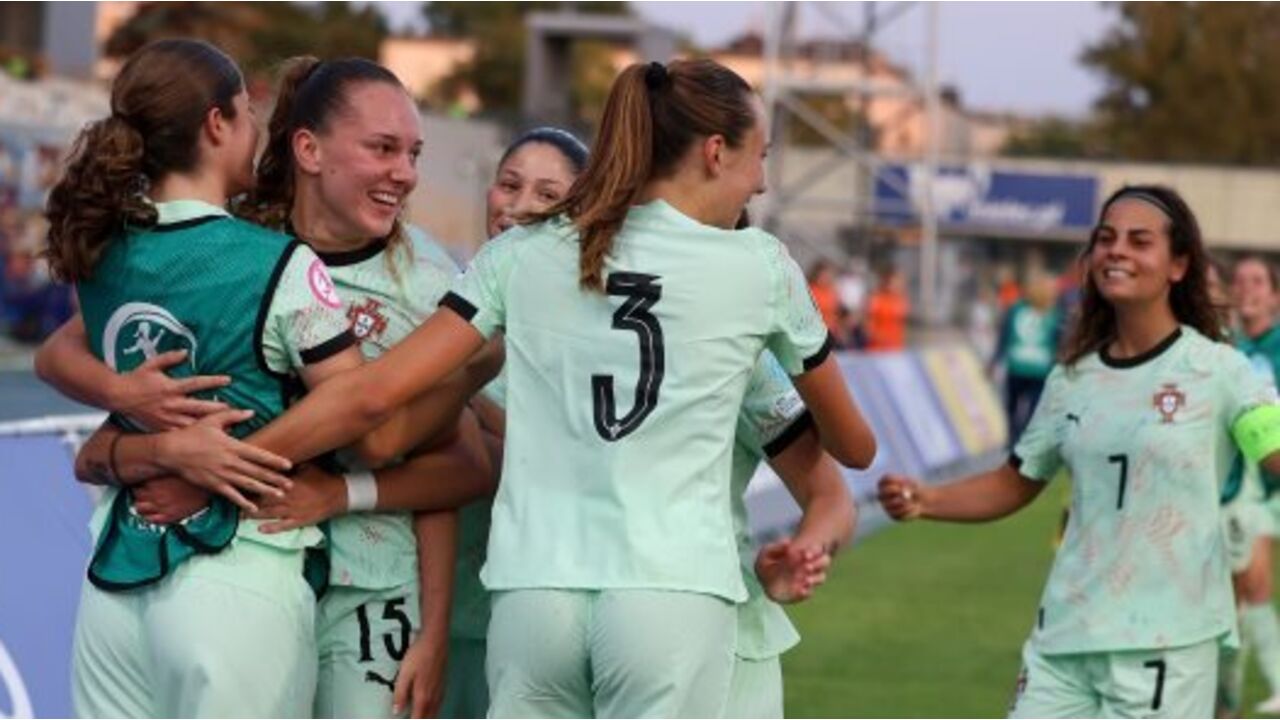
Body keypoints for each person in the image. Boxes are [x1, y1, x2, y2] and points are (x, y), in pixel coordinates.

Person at [96, 57, 876, 718]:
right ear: (714, 152)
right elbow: (854, 450)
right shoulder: (759, 269)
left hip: (531, 596)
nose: (764, 181)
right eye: (760, 158)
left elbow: (374, 405)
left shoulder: (521, 259)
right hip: (670, 593)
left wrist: (213, 464)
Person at [40, 47, 494, 717]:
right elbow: (66, 361)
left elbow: (454, 462)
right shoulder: (263, 252)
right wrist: (131, 409)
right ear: (306, 149)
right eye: (384, 148)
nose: (405, 173)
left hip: (355, 590)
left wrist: (338, 494)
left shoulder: (426, 283)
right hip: (238, 568)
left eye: (415, 154)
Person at [879, 185, 1280, 718]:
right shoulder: (1071, 379)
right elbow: (1015, 481)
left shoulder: (1221, 371)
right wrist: (927, 499)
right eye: (1106, 239)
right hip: (1064, 636)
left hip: (1166, 642)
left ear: (1178, 265)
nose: (1117, 251)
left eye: (1140, 242)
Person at [1218, 255, 1280, 717]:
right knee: (1241, 592)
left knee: (1250, 589)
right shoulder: (1228, 349)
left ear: (1275, 295)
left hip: (1271, 482)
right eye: (1239, 280)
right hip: (1248, 486)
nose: (1247, 288)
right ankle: (1227, 699)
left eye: (1258, 281)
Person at [991, 273, 1062, 444]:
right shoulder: (1054, 313)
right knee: (1033, 407)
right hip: (1040, 368)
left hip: (1017, 365)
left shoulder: (1016, 309)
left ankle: (1013, 436)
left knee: (1012, 404)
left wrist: (995, 360)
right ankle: (1021, 436)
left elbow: (1004, 336)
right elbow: (1058, 343)